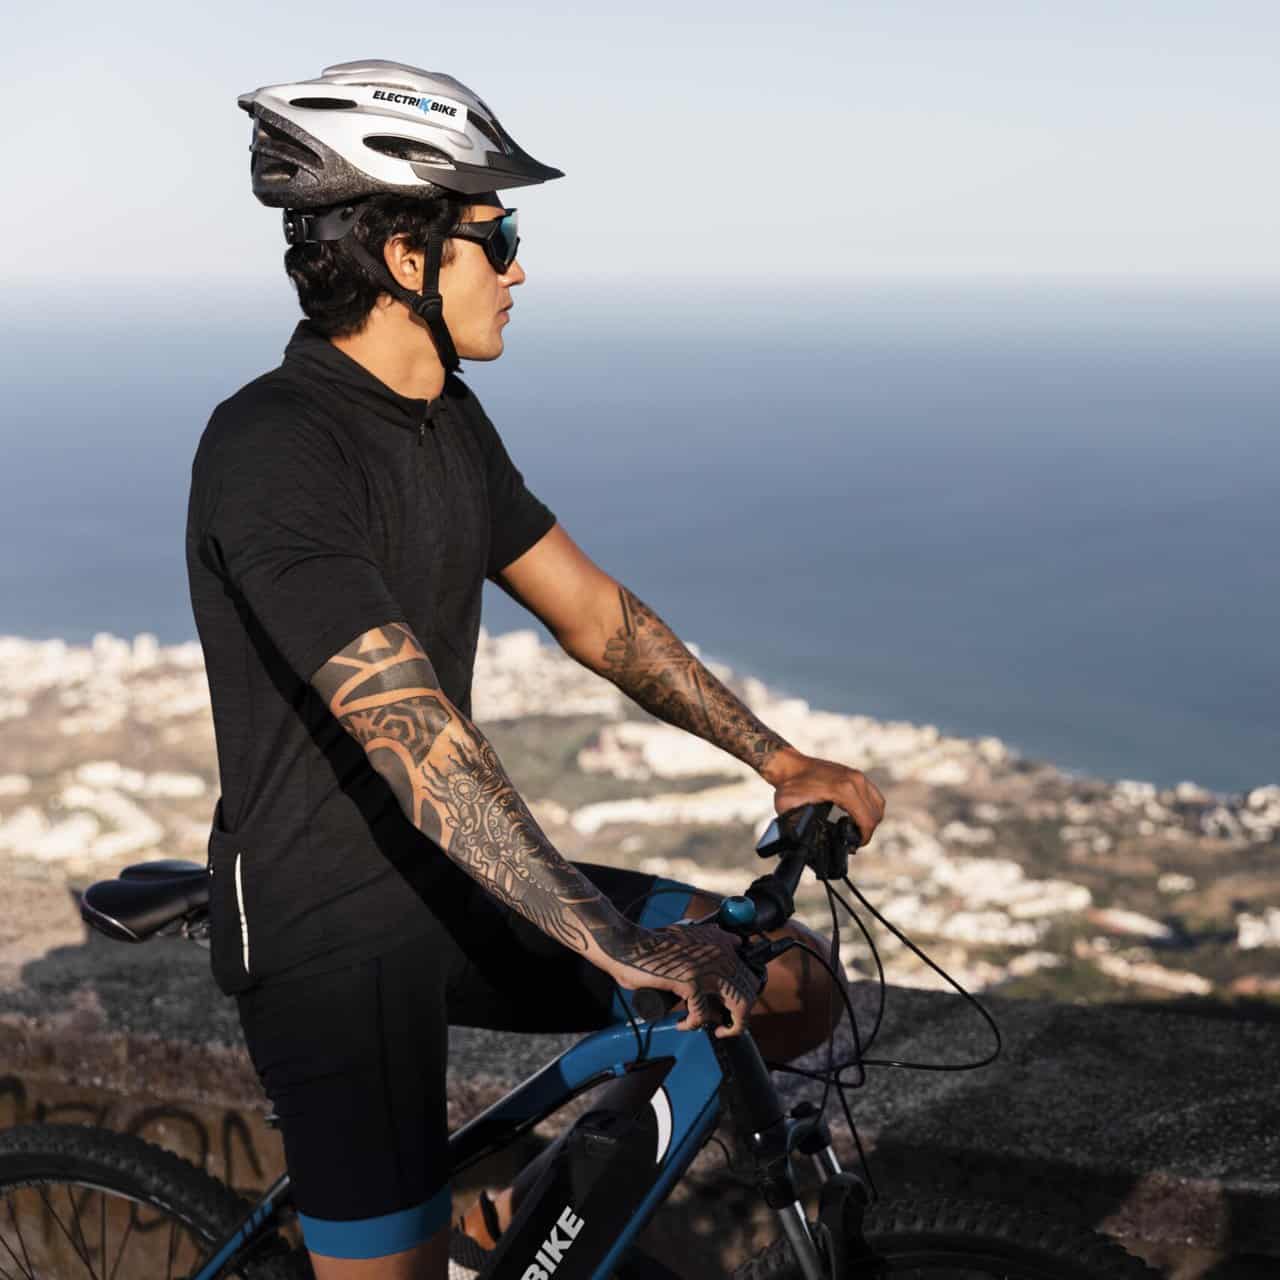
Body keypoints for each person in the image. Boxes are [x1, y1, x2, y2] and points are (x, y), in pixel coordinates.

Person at [186, 60, 885, 1280]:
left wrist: (779, 757)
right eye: (495, 232)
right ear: (407, 256)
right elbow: (418, 745)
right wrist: (616, 943)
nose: (519, 266)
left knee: (787, 986)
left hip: (457, 891)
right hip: (327, 934)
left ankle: (529, 1204)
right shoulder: (271, 449)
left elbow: (595, 614)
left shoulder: (447, 418)